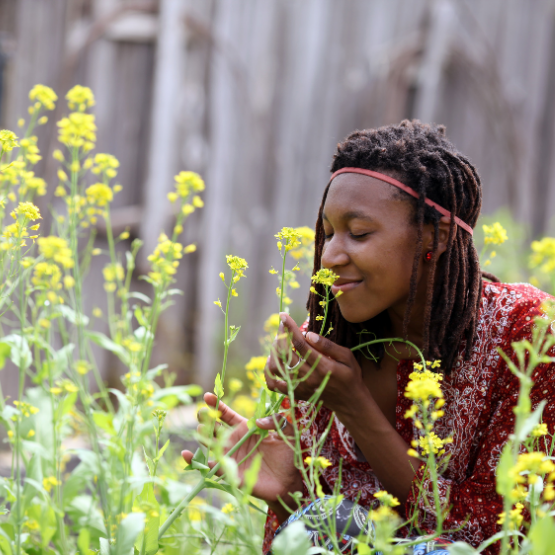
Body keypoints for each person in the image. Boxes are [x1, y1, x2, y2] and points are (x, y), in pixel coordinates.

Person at [182, 120, 555, 554]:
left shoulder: (528, 333)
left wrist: (354, 405)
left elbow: (501, 537)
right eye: (328, 232)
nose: (330, 255)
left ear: (435, 236)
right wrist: (290, 491)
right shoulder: (323, 344)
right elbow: (333, 530)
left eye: (358, 234)